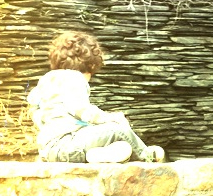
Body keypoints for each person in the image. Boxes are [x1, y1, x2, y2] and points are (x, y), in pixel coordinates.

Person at [27, 31, 165, 163]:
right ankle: (148, 156)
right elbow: (81, 109)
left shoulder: (45, 81)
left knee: (105, 139)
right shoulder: (74, 78)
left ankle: (98, 154)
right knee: (119, 130)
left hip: (49, 151)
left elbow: (34, 110)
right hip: (68, 144)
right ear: (90, 65)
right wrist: (109, 118)